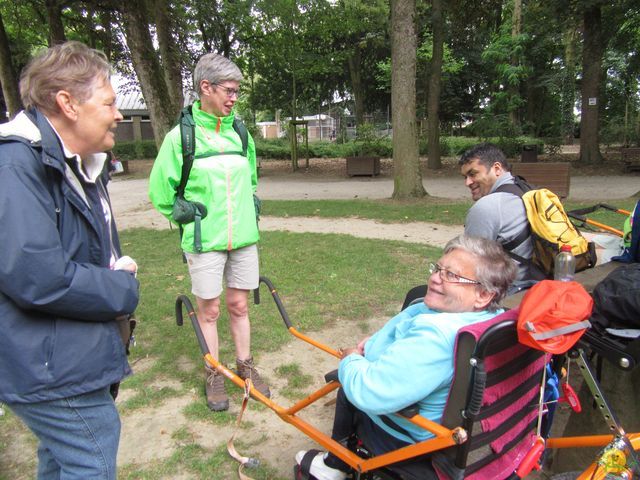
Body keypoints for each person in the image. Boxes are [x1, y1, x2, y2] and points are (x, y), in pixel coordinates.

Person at [0, 41, 140, 479]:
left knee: (61, 459)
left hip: (61, 355)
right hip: (44, 364)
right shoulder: (16, 165)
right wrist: (121, 289)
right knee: (91, 452)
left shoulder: (77, 162)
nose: (118, 113)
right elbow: (37, 276)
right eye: (109, 101)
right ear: (68, 103)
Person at [296, 235, 517, 480]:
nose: (434, 278)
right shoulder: (490, 317)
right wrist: (376, 342)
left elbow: (370, 390)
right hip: (468, 427)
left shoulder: (437, 337)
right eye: (438, 268)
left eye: (451, 275)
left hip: (407, 435)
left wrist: (350, 359)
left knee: (348, 386)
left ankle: (334, 466)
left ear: (483, 295)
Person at [148, 53, 269, 412]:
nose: (234, 98)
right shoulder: (179, 138)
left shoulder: (239, 132)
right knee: (211, 310)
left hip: (244, 238)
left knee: (239, 304)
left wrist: (249, 207)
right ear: (206, 88)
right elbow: (160, 191)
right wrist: (185, 215)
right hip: (204, 241)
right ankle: (214, 371)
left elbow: (250, 180)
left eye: (237, 91)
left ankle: (245, 366)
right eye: (229, 91)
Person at [402, 143, 534, 309]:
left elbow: (466, 264)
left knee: (416, 297)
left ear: (497, 168)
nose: (467, 182)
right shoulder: (524, 191)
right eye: (465, 176)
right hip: (533, 286)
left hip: (505, 296)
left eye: (473, 174)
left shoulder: (487, 206)